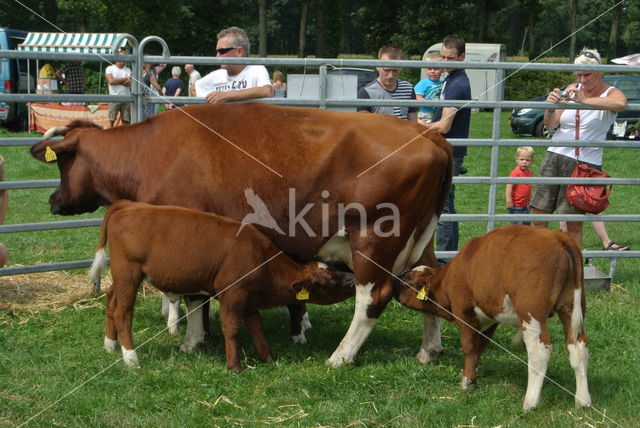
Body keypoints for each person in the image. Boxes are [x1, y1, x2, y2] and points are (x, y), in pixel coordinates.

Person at [530, 48, 627, 248]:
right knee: (539, 214)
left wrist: (584, 102)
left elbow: (621, 103)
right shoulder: (572, 88)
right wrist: (550, 108)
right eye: (579, 74)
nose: (582, 79)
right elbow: (551, 125)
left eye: (587, 74)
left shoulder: (610, 92)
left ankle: (573, 270)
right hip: (554, 155)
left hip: (584, 164)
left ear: (599, 72)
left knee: (573, 222)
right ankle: (537, 262)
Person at [428, 34, 472, 253]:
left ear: (462, 57)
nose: (444, 63)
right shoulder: (451, 79)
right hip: (449, 148)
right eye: (442, 58)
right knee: (445, 204)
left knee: (443, 207)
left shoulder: (457, 84)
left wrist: (418, 127)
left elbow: (444, 126)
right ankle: (448, 253)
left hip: (450, 150)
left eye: (450, 59)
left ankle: (445, 256)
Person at [195, 26, 274, 103]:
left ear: (239, 52)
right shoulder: (217, 75)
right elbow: (194, 88)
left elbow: (267, 91)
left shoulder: (256, 69)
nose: (217, 56)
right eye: (217, 51)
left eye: (222, 51)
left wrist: (226, 95)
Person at [357, 45, 417, 121]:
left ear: (401, 68)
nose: (390, 76)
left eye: (395, 71)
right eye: (386, 70)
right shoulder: (366, 92)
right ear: (377, 66)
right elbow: (363, 126)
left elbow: (413, 123)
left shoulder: (408, 88)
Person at [506, 146, 534, 225]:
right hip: (516, 206)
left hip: (525, 206)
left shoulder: (529, 173)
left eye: (527, 160)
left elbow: (528, 188)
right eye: (522, 159)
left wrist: (530, 201)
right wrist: (509, 201)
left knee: (526, 226)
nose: (524, 162)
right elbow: (509, 186)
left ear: (532, 161)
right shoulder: (515, 172)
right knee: (518, 228)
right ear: (517, 160)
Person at [414, 52, 443, 124]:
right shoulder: (423, 83)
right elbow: (417, 98)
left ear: (442, 69)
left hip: (439, 113)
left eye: (436, 68)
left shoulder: (443, 83)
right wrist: (431, 103)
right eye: (429, 68)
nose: (432, 71)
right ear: (425, 70)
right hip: (425, 115)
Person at [105, 49, 132, 127]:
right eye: (121, 57)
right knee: (111, 119)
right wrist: (123, 79)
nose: (123, 59)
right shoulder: (109, 68)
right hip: (114, 98)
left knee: (126, 120)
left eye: (124, 57)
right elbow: (111, 81)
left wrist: (116, 80)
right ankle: (110, 134)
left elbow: (129, 83)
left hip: (126, 98)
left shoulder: (128, 69)